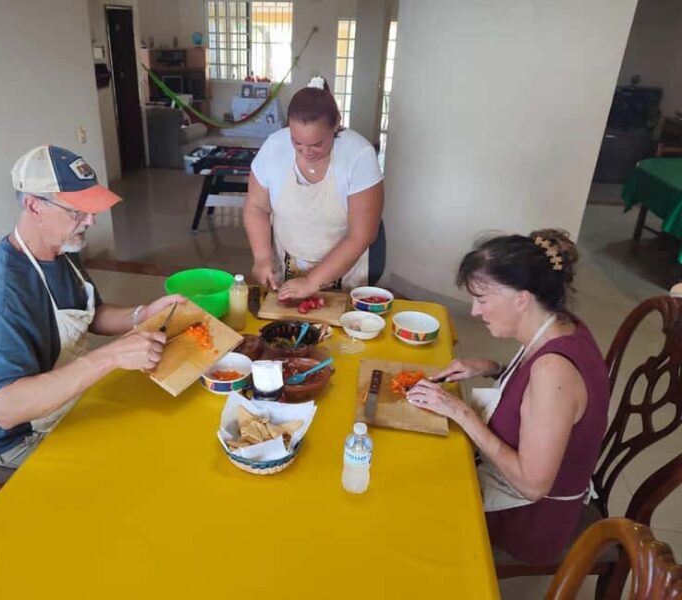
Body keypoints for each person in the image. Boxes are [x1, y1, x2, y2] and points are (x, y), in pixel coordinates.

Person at [0, 144, 185, 468]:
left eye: (92, 209)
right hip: (23, 435)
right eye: (77, 211)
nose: (91, 221)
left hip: (67, 400)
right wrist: (111, 356)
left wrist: (143, 314)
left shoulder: (61, 248)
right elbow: (5, 408)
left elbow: (89, 313)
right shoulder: (3, 292)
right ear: (34, 206)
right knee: (142, 459)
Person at [406, 229, 609, 565]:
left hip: (531, 520)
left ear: (522, 298)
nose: (474, 311)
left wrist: (461, 412)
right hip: (527, 493)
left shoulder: (554, 371)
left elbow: (532, 486)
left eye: (482, 299)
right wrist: (492, 368)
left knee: (410, 497)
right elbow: (540, 404)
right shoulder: (562, 325)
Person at [244, 76, 385, 301]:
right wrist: (262, 258)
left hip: (346, 271)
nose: (306, 152)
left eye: (317, 144)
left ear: (336, 124)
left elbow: (362, 235)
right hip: (289, 262)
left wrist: (311, 281)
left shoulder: (358, 155)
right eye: (297, 142)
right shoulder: (274, 147)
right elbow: (256, 207)